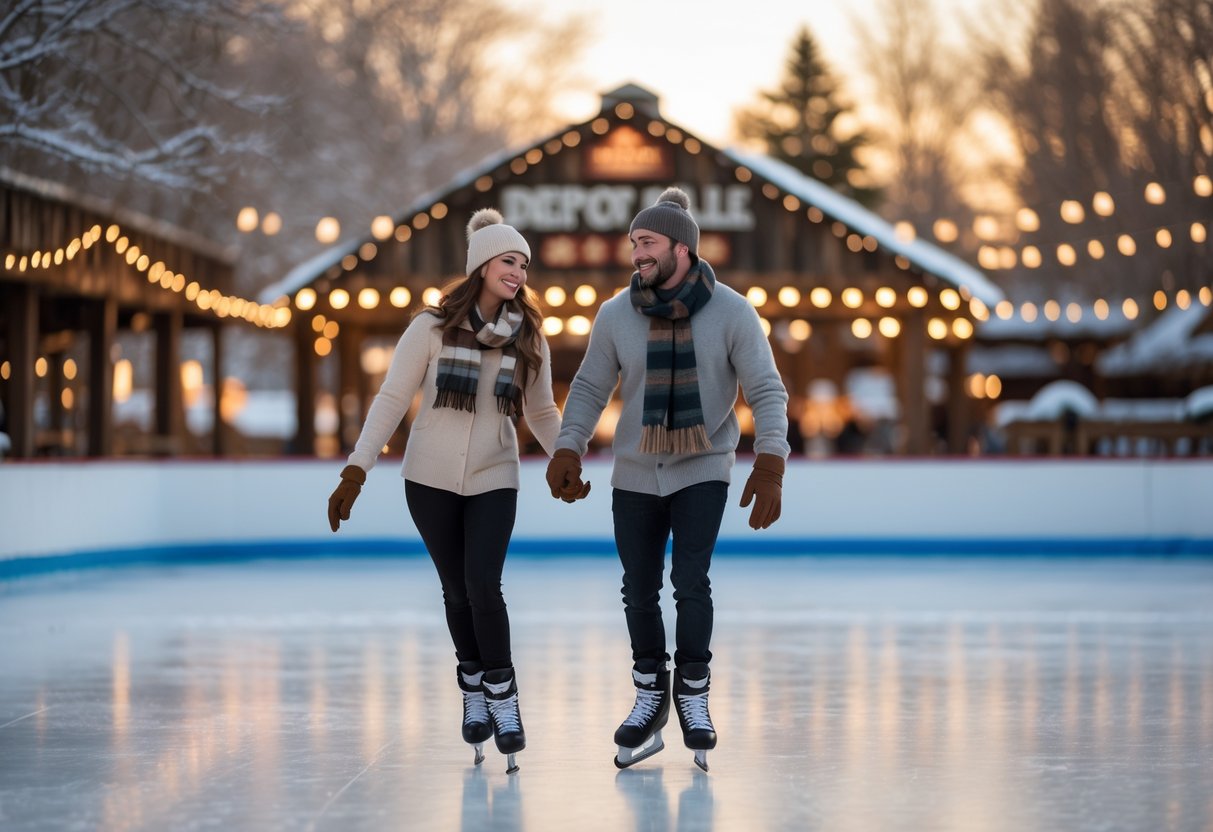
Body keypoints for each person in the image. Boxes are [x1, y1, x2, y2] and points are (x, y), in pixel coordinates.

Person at [327, 208, 584, 774]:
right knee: (455, 591)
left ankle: (504, 696)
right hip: (429, 479)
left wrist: (564, 454)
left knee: (483, 585)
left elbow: (541, 408)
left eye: (524, 264)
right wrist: (357, 469)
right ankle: (472, 683)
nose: (518, 272)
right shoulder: (431, 327)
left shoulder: (530, 337)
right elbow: (392, 399)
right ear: (481, 264)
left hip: (496, 474)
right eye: (508, 260)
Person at [545, 187, 789, 772]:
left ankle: (694, 692)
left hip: (703, 465)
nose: (637, 254)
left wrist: (772, 461)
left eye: (647, 243)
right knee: (637, 586)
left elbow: (766, 389)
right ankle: (651, 689)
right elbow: (587, 388)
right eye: (633, 244)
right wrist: (568, 446)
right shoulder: (615, 314)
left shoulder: (731, 311)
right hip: (633, 469)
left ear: (681, 247)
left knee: (691, 581)